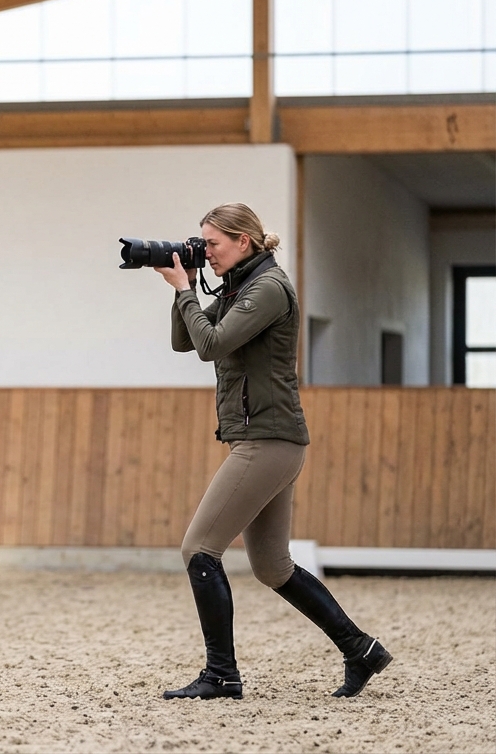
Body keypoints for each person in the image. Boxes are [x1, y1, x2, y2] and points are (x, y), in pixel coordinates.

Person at [153, 202, 392, 700]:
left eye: (212, 244)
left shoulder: (267, 289)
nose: (205, 252)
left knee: (198, 549)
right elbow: (185, 341)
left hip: (267, 441)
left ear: (244, 241)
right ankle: (361, 650)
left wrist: (185, 292)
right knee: (272, 567)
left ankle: (220, 674)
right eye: (202, 243)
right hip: (265, 439)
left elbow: (210, 345)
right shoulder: (242, 286)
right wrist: (188, 286)